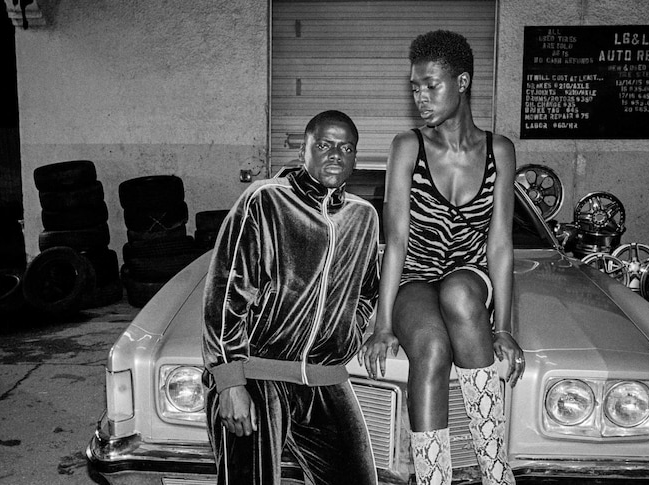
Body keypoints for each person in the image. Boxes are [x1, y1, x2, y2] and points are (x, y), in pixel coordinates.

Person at [360, 30, 524, 485]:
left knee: (457, 292)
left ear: (463, 81)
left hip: (469, 276)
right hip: (415, 273)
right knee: (430, 348)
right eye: (415, 87)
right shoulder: (408, 146)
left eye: (431, 86)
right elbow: (395, 241)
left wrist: (504, 329)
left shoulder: (500, 150)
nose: (421, 98)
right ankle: (434, 479)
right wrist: (382, 325)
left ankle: (495, 470)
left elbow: (500, 244)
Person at [202, 110, 380, 485]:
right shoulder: (265, 201)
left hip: (325, 380)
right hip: (256, 372)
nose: (335, 154)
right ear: (304, 152)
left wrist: (349, 329)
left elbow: (367, 290)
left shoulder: (364, 217)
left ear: (354, 160)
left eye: (346, 148)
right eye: (325, 145)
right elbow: (225, 292)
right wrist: (230, 381)